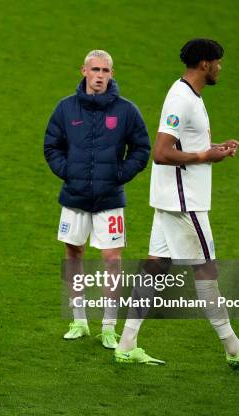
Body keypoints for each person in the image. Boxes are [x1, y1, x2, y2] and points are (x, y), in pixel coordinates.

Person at [114, 38, 239, 367]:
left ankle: (127, 344)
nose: (220, 67)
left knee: (155, 267)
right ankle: (233, 349)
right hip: (184, 202)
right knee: (206, 269)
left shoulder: (189, 95)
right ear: (204, 63)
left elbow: (188, 143)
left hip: (173, 199)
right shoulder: (181, 100)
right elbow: (161, 152)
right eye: (218, 62)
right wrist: (205, 155)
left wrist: (214, 148)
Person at [44, 50, 151, 348]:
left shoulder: (126, 111)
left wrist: (119, 175)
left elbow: (142, 149)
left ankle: (108, 325)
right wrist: (68, 173)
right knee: (74, 254)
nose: (100, 75)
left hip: (110, 198)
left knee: (112, 259)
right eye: (95, 70)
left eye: (106, 70)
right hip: (74, 196)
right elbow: (52, 145)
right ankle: (79, 320)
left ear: (112, 74)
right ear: (84, 71)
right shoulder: (66, 109)